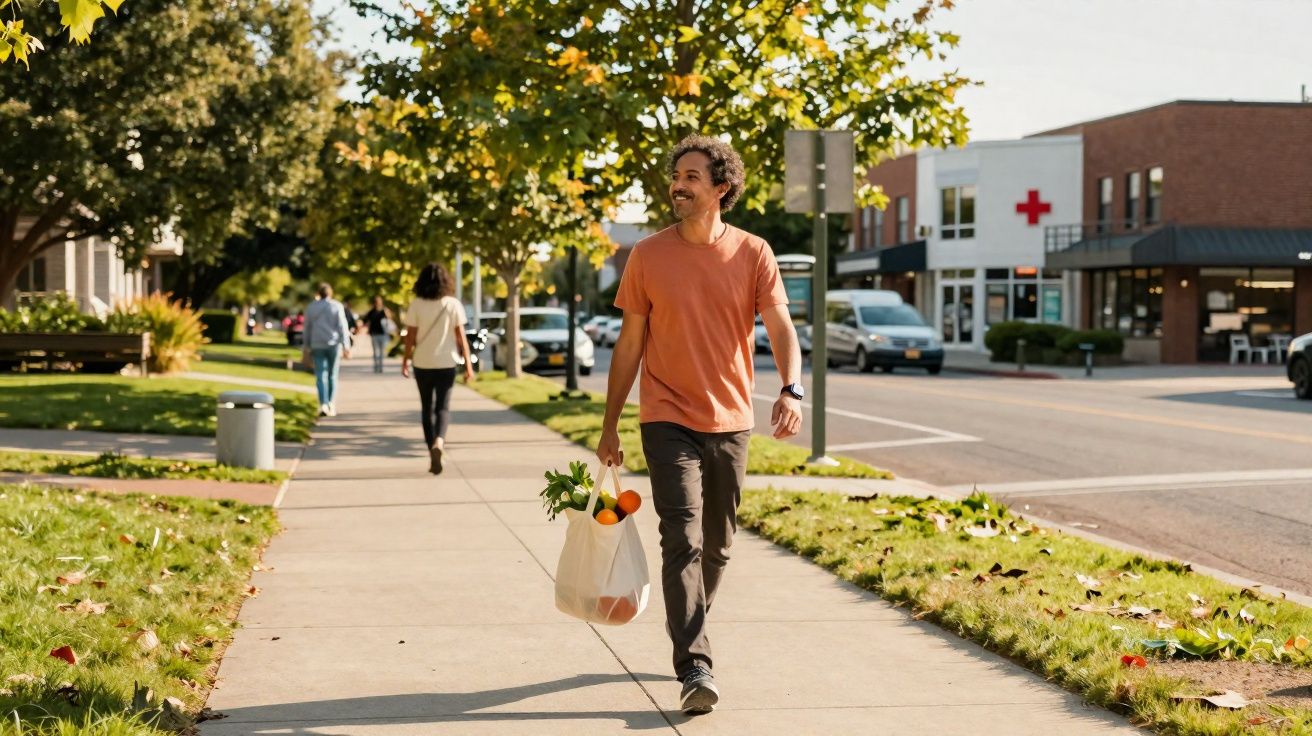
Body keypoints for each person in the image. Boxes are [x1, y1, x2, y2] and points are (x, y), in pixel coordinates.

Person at [597, 135, 804, 715]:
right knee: (681, 537)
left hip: (731, 417)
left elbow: (781, 325)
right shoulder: (647, 255)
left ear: (721, 188)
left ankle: (691, 623)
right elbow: (630, 344)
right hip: (666, 415)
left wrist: (792, 387)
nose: (678, 184)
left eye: (691, 176)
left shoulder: (753, 252)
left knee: (717, 545)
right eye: (676, 174)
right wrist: (610, 424)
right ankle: (694, 664)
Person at [402, 263, 476, 475]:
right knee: (442, 407)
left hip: (422, 363)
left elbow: (410, 338)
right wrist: (468, 366)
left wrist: (405, 361)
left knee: (427, 408)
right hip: (447, 363)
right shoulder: (452, 304)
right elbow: (461, 337)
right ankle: (439, 443)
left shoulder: (416, 304)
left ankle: (431, 450)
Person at [303, 283, 352, 417]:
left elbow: (307, 328)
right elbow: (343, 327)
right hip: (334, 345)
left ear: (319, 293)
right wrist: (346, 346)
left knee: (320, 375)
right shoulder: (336, 306)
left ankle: (323, 403)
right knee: (332, 375)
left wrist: (306, 348)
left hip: (316, 344)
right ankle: (330, 403)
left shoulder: (311, 307)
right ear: (330, 293)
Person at [361, 296, 395, 374]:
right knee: (376, 352)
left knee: (381, 352)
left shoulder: (384, 311)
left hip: (383, 334)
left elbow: (389, 319)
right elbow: (365, 320)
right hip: (374, 334)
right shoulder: (371, 312)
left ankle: (380, 367)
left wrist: (387, 313)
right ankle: (376, 366)